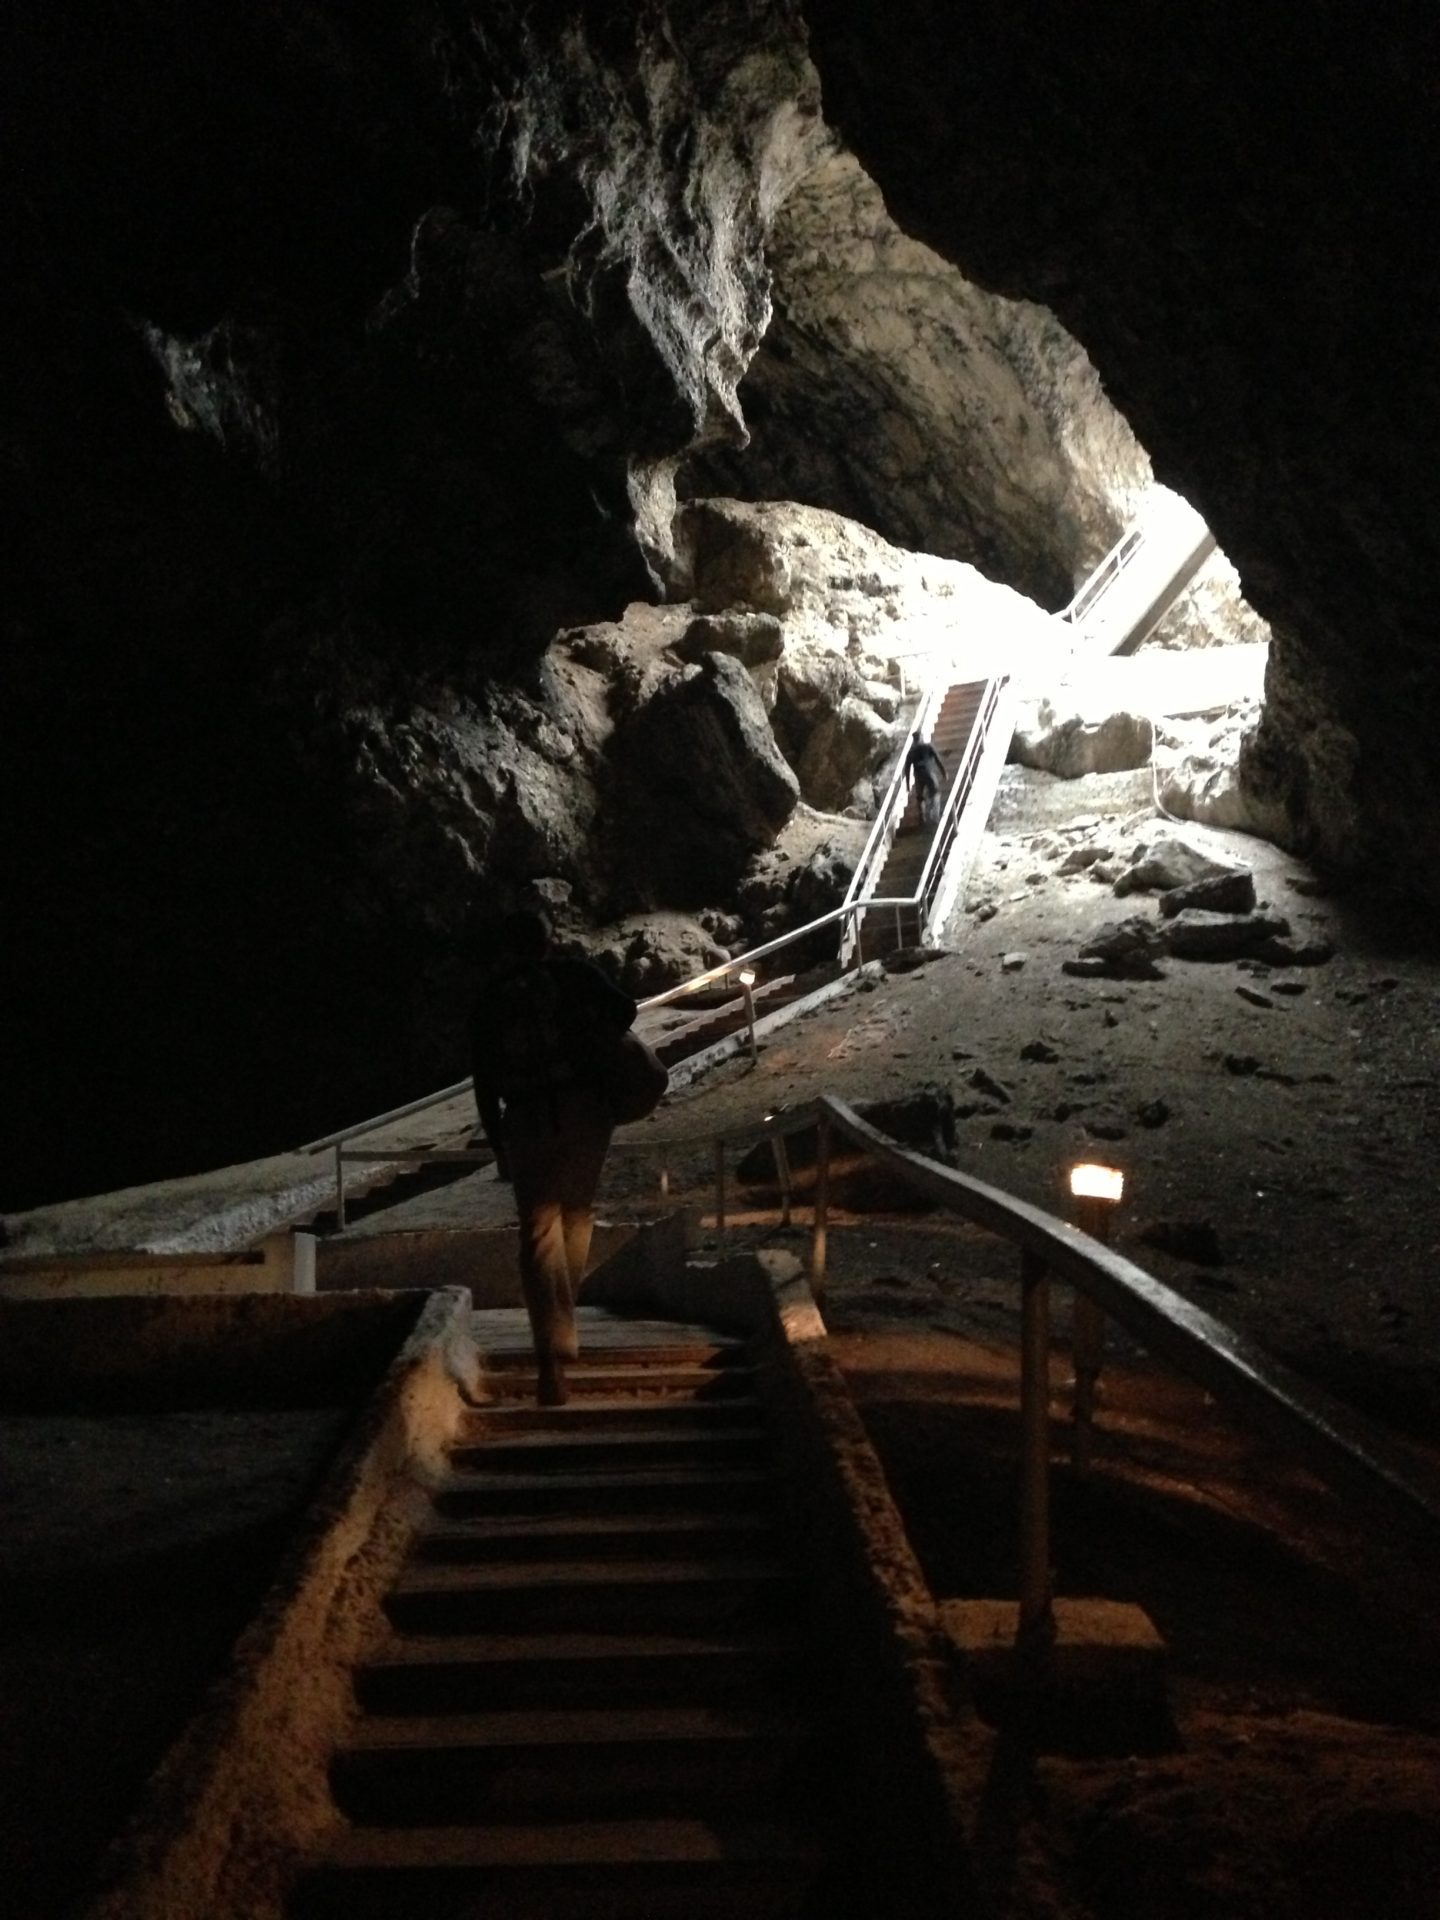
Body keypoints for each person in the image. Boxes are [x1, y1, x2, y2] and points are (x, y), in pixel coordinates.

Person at [471, 911, 637, 1406]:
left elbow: (483, 1075)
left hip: (526, 1118)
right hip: (585, 1110)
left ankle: (551, 1358)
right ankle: (562, 1327)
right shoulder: (574, 975)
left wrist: (497, 1140)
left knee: (538, 1229)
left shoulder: (492, 997)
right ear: (549, 940)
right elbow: (625, 1009)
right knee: (577, 1215)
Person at [905, 729, 947, 827]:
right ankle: (934, 815)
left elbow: (907, 769)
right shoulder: (928, 747)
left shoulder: (911, 752)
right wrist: (944, 772)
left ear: (914, 740)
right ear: (921, 737)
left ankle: (922, 818)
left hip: (918, 776)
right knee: (935, 792)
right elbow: (937, 759)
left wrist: (908, 785)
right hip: (929, 773)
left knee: (920, 797)